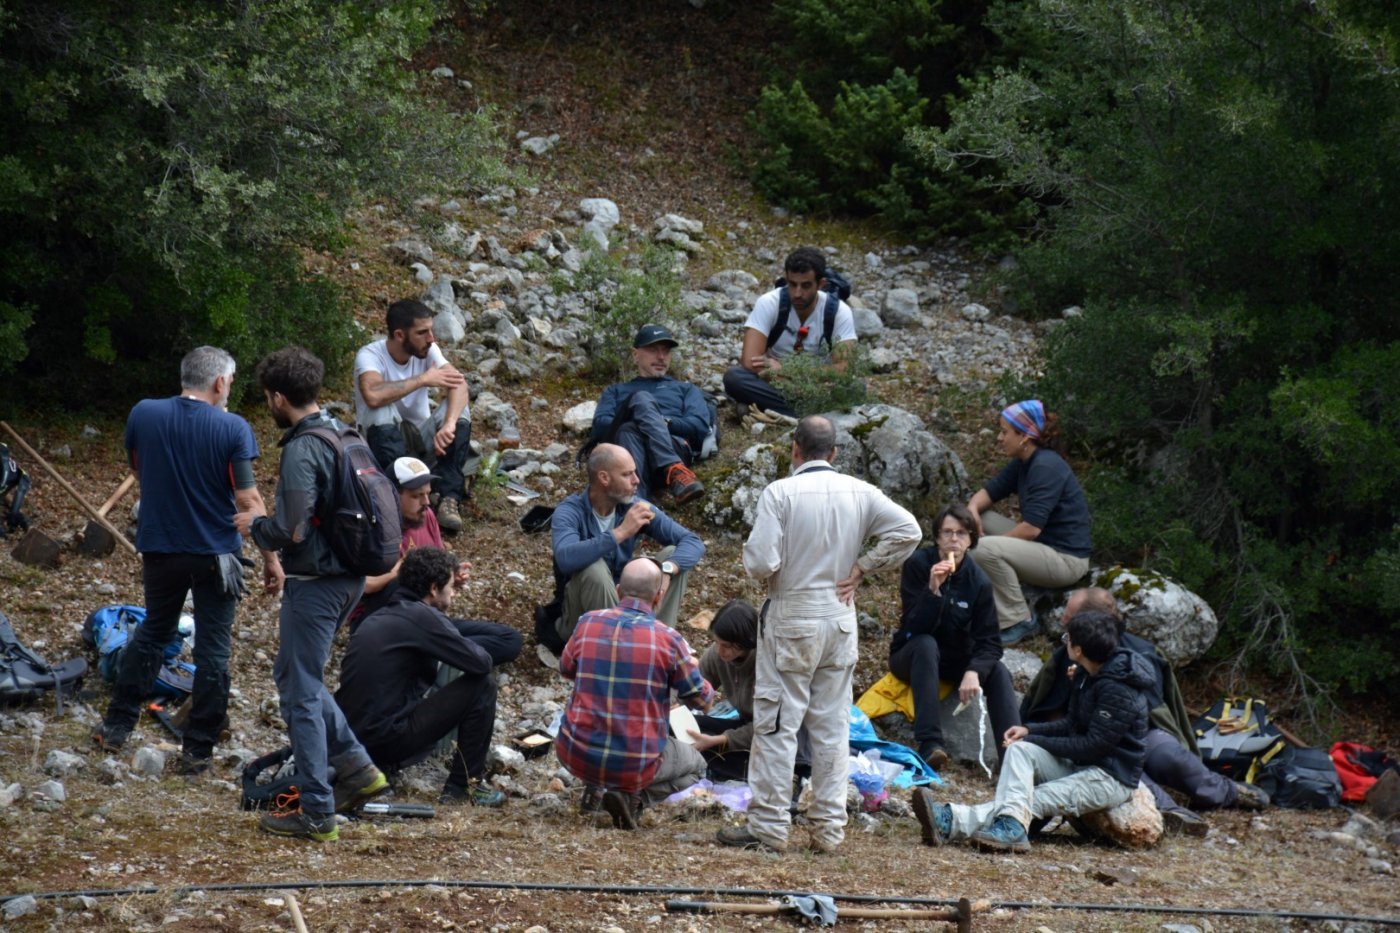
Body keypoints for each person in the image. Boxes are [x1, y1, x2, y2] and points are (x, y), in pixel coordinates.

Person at [718, 416, 920, 854]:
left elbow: (760, 563)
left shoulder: (781, 493)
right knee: (831, 727)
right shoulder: (861, 492)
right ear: (833, 454)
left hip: (792, 614)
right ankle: (828, 829)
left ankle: (770, 827)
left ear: (795, 448)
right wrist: (863, 566)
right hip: (839, 616)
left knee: (776, 724)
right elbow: (910, 530)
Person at [92, 347, 280, 775]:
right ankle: (197, 750)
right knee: (214, 650)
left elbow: (139, 471)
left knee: (154, 630)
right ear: (219, 383)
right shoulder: (233, 427)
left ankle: (117, 724)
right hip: (217, 554)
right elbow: (247, 498)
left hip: (161, 547)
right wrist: (272, 558)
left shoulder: (144, 413)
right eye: (229, 382)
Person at [237, 347, 388, 841]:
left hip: (318, 584)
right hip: (349, 578)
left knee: (300, 691)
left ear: (278, 397)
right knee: (295, 673)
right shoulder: (345, 433)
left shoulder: (304, 447)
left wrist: (255, 527)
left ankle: (317, 811)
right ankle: (360, 772)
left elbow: (293, 527)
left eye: (267, 398)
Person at [1021, 587, 1269, 835]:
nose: (1062, 619)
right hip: (1092, 745)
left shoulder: (1137, 655)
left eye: (1069, 614)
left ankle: (1227, 791)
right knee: (1126, 772)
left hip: (1140, 735)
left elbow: (1155, 709)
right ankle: (1173, 815)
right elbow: (1048, 710)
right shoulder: (1067, 656)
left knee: (1171, 757)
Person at [911, 610, 1152, 852]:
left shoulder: (1117, 689)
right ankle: (1009, 829)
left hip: (1109, 777)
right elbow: (1071, 724)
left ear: (1078, 650)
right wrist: (1028, 731)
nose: (1065, 643)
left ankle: (950, 821)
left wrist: (1037, 738)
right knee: (1019, 751)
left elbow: (1092, 745)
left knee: (1028, 799)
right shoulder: (1088, 674)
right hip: (1079, 765)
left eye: (1067, 639)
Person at [336, 547, 506, 807]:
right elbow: (480, 662)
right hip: (386, 739)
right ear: (434, 588)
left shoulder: (382, 614)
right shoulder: (421, 616)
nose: (452, 593)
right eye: (450, 586)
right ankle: (465, 786)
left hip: (351, 739)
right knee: (482, 685)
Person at [554, 559, 714, 830]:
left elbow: (567, 670)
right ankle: (633, 801)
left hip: (574, 753)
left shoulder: (587, 623)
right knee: (697, 765)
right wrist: (694, 668)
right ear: (659, 597)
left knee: (602, 711)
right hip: (634, 763)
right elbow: (703, 701)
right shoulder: (670, 640)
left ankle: (595, 792)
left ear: (618, 591)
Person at [350, 456, 522, 667]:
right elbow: (364, 584)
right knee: (401, 583)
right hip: (382, 624)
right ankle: (438, 656)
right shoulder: (373, 528)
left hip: (428, 622)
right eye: (416, 496)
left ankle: (435, 657)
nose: (426, 502)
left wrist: (450, 576)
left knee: (510, 639)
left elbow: (438, 563)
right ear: (392, 496)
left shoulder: (426, 515)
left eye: (427, 494)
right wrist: (401, 568)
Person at [890, 503, 1020, 772]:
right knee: (926, 645)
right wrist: (932, 592)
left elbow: (990, 642)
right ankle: (930, 744)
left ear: (971, 539)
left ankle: (1013, 758)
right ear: (937, 536)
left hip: (955, 658)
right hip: (912, 653)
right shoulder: (918, 565)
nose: (953, 540)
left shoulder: (978, 581)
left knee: (997, 671)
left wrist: (974, 670)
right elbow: (913, 627)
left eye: (961, 533)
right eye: (947, 532)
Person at [540, 443, 705, 653]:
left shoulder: (634, 506)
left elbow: (692, 541)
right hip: (580, 618)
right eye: (627, 475)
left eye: (635, 472)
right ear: (604, 478)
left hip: (622, 603)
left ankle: (656, 642)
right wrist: (620, 533)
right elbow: (565, 558)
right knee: (594, 569)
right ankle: (624, 649)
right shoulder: (570, 511)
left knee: (672, 556)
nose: (637, 480)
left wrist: (666, 570)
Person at [965, 399, 1092, 645]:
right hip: (1045, 545)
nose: (1000, 438)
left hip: (1066, 559)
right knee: (984, 519)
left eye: (1004, 432)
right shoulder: (1025, 462)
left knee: (982, 549)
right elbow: (989, 493)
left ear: (1023, 436)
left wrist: (989, 545)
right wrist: (972, 509)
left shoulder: (1045, 466)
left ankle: (1018, 619)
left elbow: (1031, 529)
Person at [353, 299, 474, 534]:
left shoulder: (428, 350)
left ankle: (448, 499)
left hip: (420, 444)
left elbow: (460, 385)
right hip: (382, 450)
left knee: (459, 407)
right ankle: (397, 497)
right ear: (399, 335)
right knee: (380, 407)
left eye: (431, 330)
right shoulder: (369, 355)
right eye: (422, 332)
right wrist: (422, 380)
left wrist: (449, 424)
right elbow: (372, 394)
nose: (431, 338)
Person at [721, 247, 858, 419]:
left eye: (806, 285)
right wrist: (785, 381)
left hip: (813, 385)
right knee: (734, 378)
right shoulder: (769, 303)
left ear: (820, 284)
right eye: (792, 284)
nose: (797, 293)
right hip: (776, 383)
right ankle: (815, 413)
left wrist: (787, 371)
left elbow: (843, 369)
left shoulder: (838, 311)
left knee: (854, 387)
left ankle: (772, 408)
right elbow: (749, 361)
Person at [591, 323, 710, 504]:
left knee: (631, 424)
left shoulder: (685, 389)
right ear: (635, 355)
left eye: (666, 351)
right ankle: (673, 470)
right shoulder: (616, 390)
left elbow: (699, 426)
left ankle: (636, 504)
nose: (661, 357)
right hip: (626, 457)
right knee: (636, 410)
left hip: (674, 446)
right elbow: (599, 427)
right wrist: (641, 415)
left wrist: (663, 422)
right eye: (653, 350)